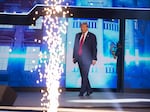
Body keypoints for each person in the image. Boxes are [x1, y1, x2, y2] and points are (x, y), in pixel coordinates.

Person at [73, 22, 97, 96]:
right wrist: (74, 56)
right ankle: (89, 90)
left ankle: (82, 91)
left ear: (87, 27)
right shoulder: (78, 35)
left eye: (83, 27)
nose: (82, 28)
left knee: (85, 74)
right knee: (83, 75)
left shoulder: (92, 36)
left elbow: (94, 48)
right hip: (79, 58)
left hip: (88, 59)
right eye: (81, 27)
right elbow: (75, 47)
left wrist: (94, 58)